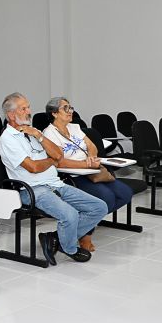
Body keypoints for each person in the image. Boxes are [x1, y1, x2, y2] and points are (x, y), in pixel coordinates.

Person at [0, 92, 107, 265]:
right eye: (23, 108)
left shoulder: (34, 133)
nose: (29, 111)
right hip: (33, 189)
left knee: (99, 207)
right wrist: (51, 160)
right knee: (70, 215)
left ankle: (55, 238)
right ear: (11, 115)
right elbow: (33, 167)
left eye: (28, 107)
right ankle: (69, 247)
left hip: (56, 184)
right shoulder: (8, 139)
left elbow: (59, 154)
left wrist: (39, 136)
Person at [42, 97, 133, 252]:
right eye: (65, 108)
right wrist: (85, 164)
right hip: (72, 176)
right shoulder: (49, 134)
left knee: (125, 193)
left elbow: (91, 146)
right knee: (107, 199)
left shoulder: (75, 127)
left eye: (71, 108)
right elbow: (59, 162)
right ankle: (85, 233)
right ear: (54, 113)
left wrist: (91, 157)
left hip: (92, 171)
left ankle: (71, 230)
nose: (70, 111)